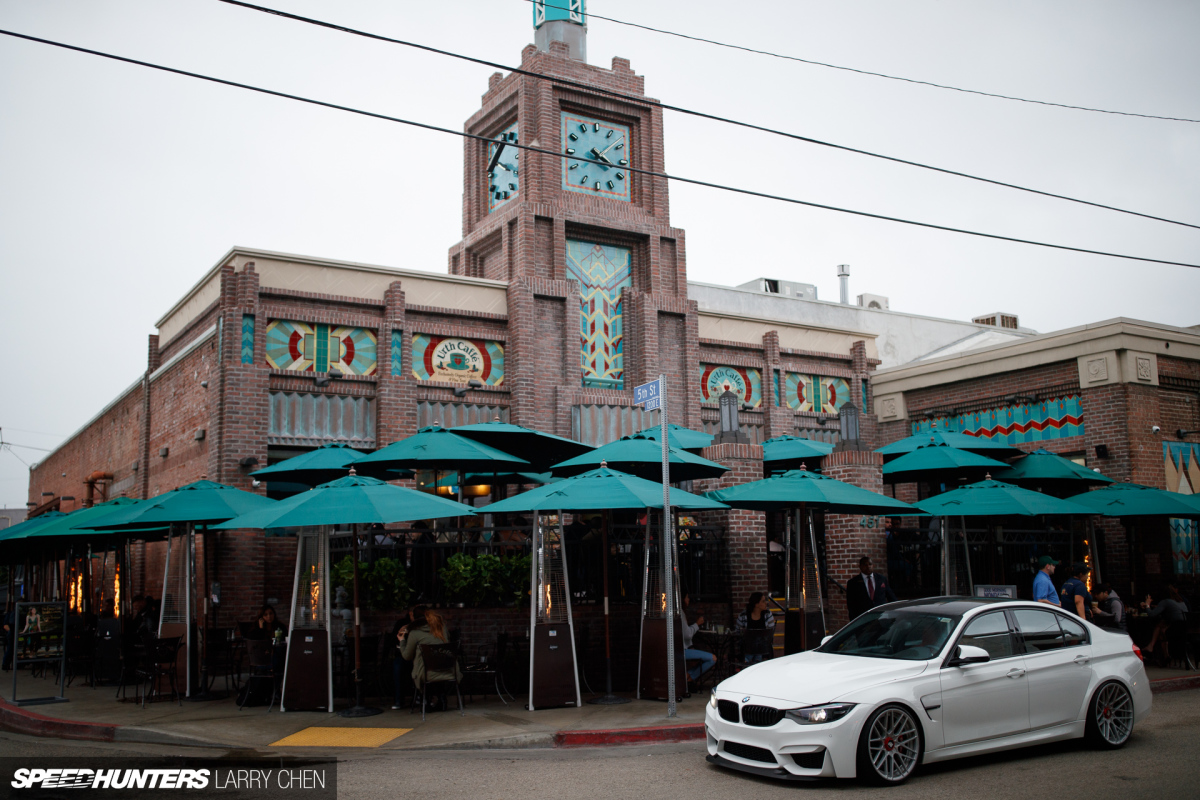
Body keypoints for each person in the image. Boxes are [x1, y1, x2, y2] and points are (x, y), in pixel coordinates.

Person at [399, 607, 461, 710]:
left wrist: (402, 640)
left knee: (422, 667)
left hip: (426, 674)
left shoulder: (414, 633)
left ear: (414, 618)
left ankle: (426, 700)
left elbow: (407, 656)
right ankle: (442, 699)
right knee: (435, 664)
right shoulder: (441, 628)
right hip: (448, 670)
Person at [1142, 585, 1189, 662]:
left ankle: (1154, 649)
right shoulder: (1181, 602)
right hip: (1185, 631)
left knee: (1160, 628)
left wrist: (1147, 604)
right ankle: (1163, 655)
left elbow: (1152, 614)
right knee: (1161, 626)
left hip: (1175, 631)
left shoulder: (1165, 601)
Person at [679, 593, 715, 689]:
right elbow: (688, 634)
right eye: (687, 598)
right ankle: (689, 677)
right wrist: (697, 624)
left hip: (682, 648)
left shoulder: (679, 613)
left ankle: (688, 677)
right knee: (713, 658)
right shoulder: (680, 614)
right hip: (682, 650)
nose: (688, 600)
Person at [390, 606, 420, 710]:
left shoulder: (422, 624)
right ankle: (399, 700)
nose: (413, 615)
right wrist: (400, 634)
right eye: (412, 612)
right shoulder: (402, 623)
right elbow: (393, 641)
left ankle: (420, 696)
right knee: (397, 665)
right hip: (405, 655)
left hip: (419, 656)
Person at [734, 592, 775, 663]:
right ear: (756, 604)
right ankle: (756, 662)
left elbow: (770, 633)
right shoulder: (743, 616)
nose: (766, 603)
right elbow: (737, 633)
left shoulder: (767, 615)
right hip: (748, 647)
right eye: (763, 601)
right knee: (753, 647)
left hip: (763, 647)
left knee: (758, 647)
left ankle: (749, 662)